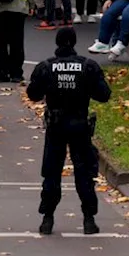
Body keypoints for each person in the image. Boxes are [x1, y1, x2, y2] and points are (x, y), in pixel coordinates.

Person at [27, 27, 112, 235]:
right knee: (84, 172)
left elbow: (33, 94)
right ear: (74, 43)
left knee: (52, 172)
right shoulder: (88, 66)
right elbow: (104, 94)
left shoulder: (46, 67)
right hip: (80, 125)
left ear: (57, 42)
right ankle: (89, 219)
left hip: (56, 125)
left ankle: (47, 219)